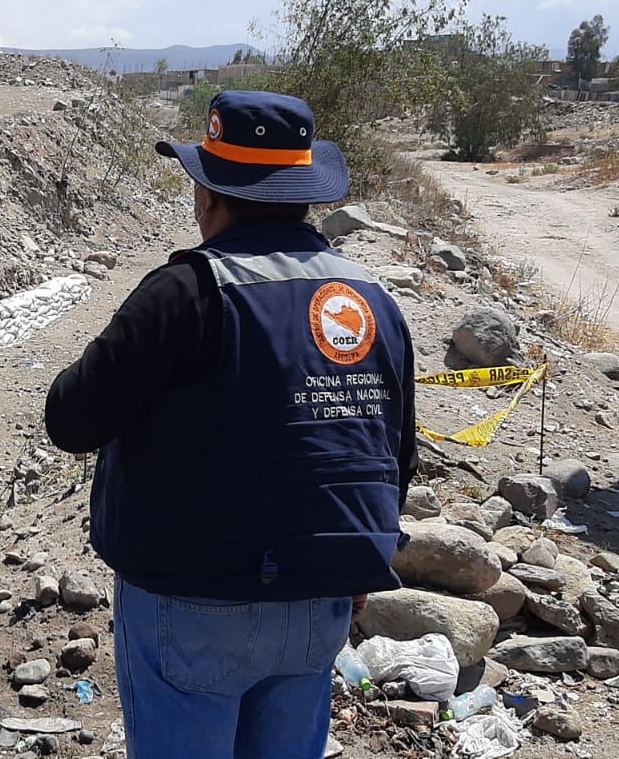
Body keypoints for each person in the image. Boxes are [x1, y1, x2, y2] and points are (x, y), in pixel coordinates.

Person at [45, 91, 417, 759]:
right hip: (319, 596)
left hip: (192, 600)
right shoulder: (371, 300)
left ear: (208, 196)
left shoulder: (185, 291)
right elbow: (395, 450)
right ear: (303, 193)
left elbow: (70, 418)